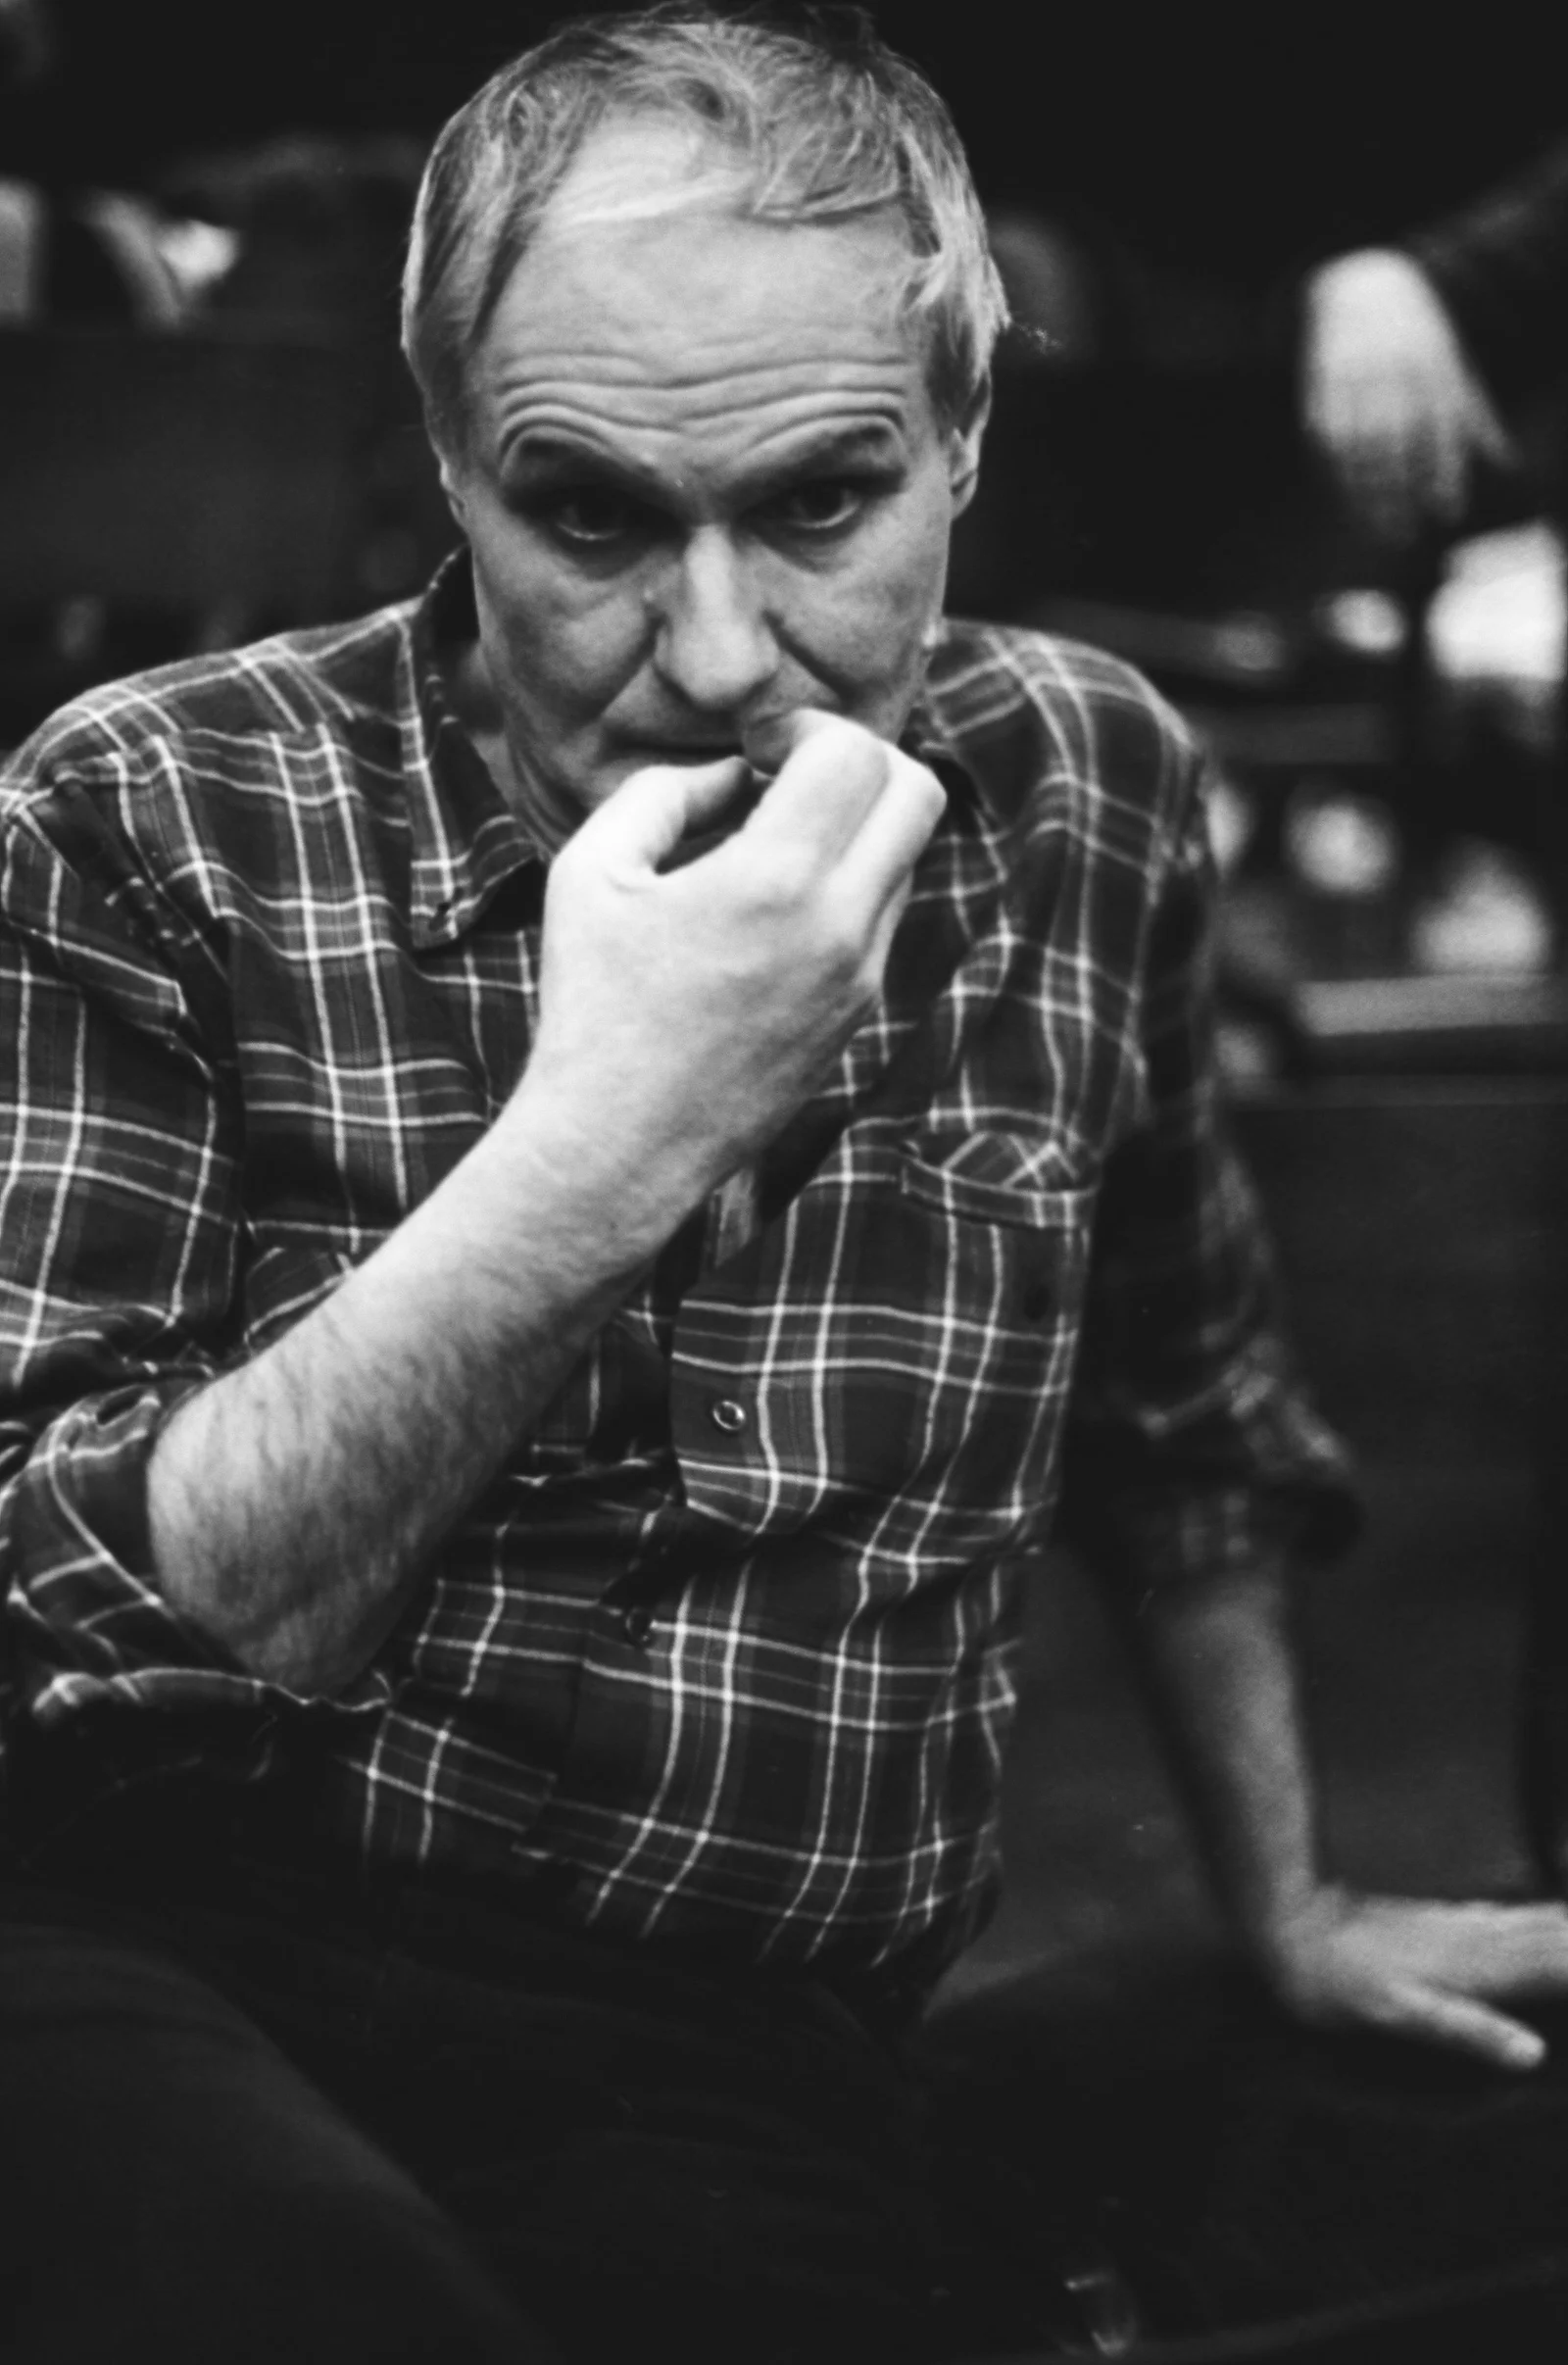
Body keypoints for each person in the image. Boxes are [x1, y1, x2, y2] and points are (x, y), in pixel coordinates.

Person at [6, 12, 1568, 2360]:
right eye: (590, 518)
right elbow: (57, 1655)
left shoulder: (1083, 789)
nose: (719, 656)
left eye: (825, 504)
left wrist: (1288, 1898)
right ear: (446, 459)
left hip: (721, 2053)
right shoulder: (156, 811)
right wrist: (609, 1138)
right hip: (152, 1946)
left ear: (964, 433)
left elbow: (1183, 1412)